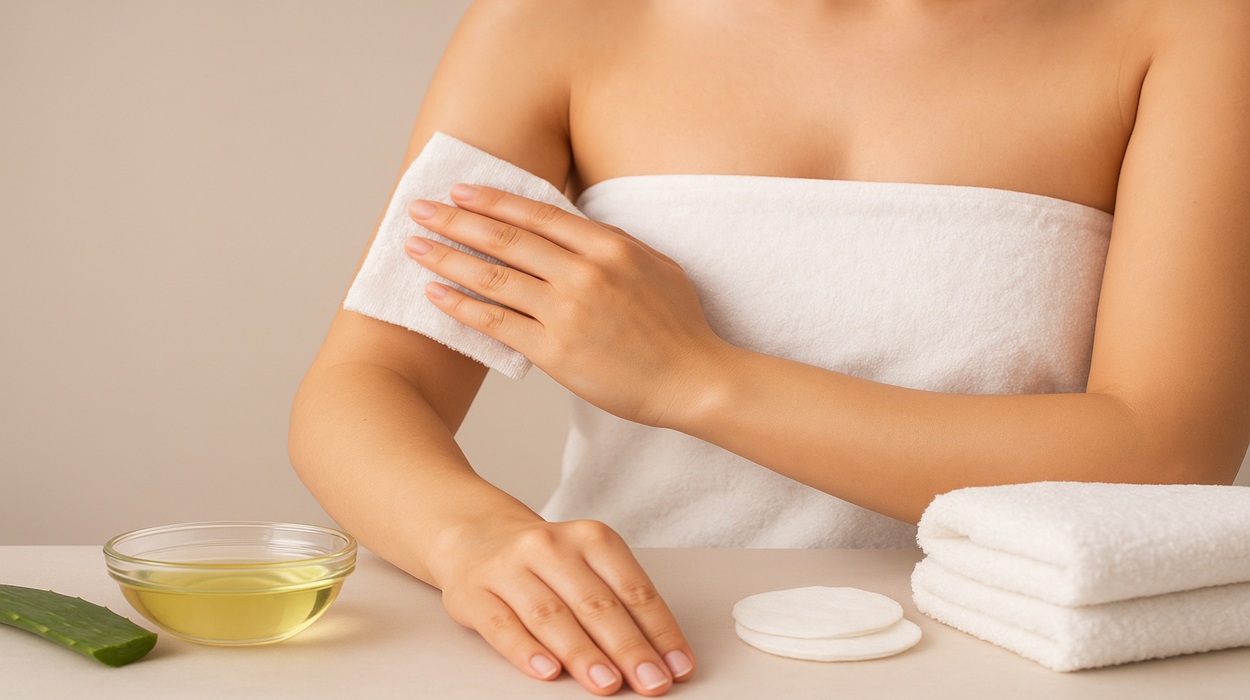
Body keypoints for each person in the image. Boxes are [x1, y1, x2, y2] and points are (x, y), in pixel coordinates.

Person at [289, 1, 1250, 695]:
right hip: (633, 655)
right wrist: (473, 539)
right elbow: (373, 381)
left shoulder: (1189, 25)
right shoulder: (555, 21)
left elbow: (1166, 456)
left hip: (1032, 663)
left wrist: (698, 381)